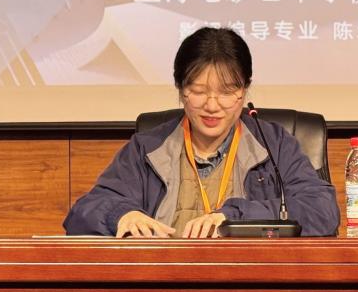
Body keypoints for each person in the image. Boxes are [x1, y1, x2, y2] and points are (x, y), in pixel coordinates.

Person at [64, 27, 340, 238]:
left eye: (227, 92)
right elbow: (83, 212)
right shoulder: (147, 148)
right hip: (164, 283)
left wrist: (236, 218)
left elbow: (322, 210)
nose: (212, 106)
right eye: (198, 91)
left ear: (244, 90)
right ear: (180, 88)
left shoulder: (273, 144)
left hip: (251, 282)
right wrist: (120, 215)